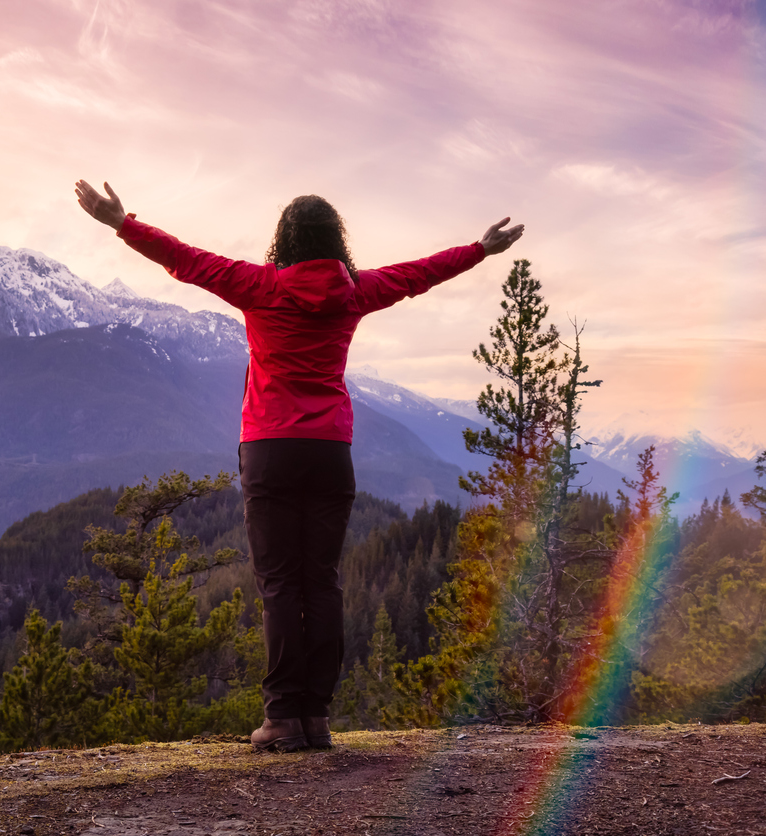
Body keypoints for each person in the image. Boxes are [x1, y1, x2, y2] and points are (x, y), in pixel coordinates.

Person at [75, 180, 523, 751]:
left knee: (281, 584)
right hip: (331, 451)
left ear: (283, 241)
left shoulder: (259, 286)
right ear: (337, 241)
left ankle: (283, 716)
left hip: (270, 448)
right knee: (323, 583)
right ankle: (316, 717)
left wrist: (122, 224)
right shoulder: (356, 291)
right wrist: (479, 250)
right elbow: (418, 274)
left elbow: (185, 260)